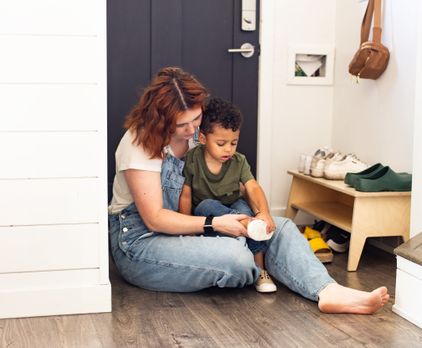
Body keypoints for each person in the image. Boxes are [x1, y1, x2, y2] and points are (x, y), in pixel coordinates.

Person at [108, 66, 390, 315]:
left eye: (196, 120)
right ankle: (263, 262)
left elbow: (246, 184)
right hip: (141, 242)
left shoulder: (200, 135)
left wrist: (262, 215)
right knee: (237, 259)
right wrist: (216, 223)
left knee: (281, 228)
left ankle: (327, 291)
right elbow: (155, 219)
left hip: (194, 226)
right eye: (183, 124)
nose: (193, 129)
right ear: (160, 118)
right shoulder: (139, 144)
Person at [178, 97, 277, 293]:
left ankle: (260, 270)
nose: (229, 149)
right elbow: (186, 195)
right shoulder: (192, 159)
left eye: (234, 142)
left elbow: (253, 187)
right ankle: (248, 227)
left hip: (234, 206)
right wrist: (186, 227)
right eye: (221, 143)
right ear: (204, 138)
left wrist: (263, 213)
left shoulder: (238, 161)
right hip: (208, 213)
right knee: (207, 204)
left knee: (245, 210)